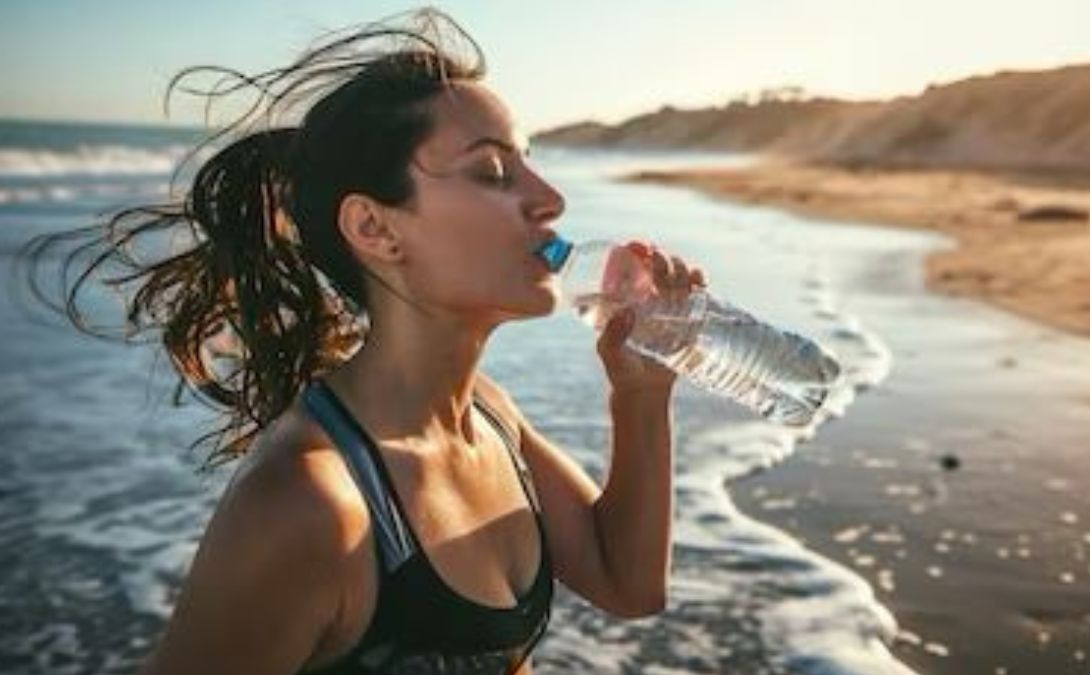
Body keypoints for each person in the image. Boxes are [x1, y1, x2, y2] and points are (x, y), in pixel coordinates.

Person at [21, 9, 707, 675]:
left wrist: (641, 394)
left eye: (529, 164)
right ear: (376, 229)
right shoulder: (309, 503)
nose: (550, 197)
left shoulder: (492, 419)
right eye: (494, 173)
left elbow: (628, 583)